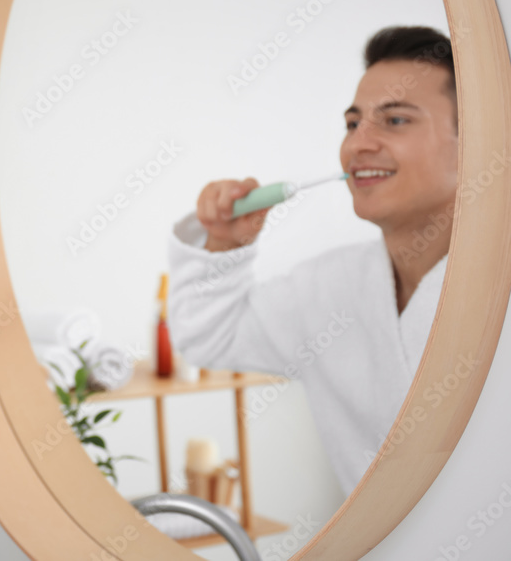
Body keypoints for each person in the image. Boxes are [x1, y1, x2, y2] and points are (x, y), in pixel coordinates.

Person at [167, 26, 461, 495]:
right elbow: (208, 335)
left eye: (396, 120)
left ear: (481, 139)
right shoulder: (329, 288)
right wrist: (224, 244)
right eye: (352, 124)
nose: (357, 145)